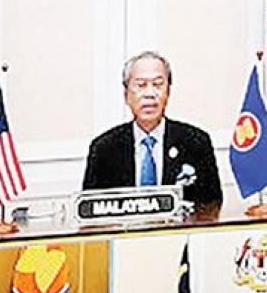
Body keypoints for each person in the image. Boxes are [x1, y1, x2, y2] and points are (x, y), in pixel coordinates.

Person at [82, 52, 223, 209]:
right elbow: (89, 210)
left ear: (168, 92)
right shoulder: (104, 149)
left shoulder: (196, 142)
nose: (149, 94)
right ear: (126, 95)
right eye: (141, 85)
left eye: (157, 84)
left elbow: (212, 207)